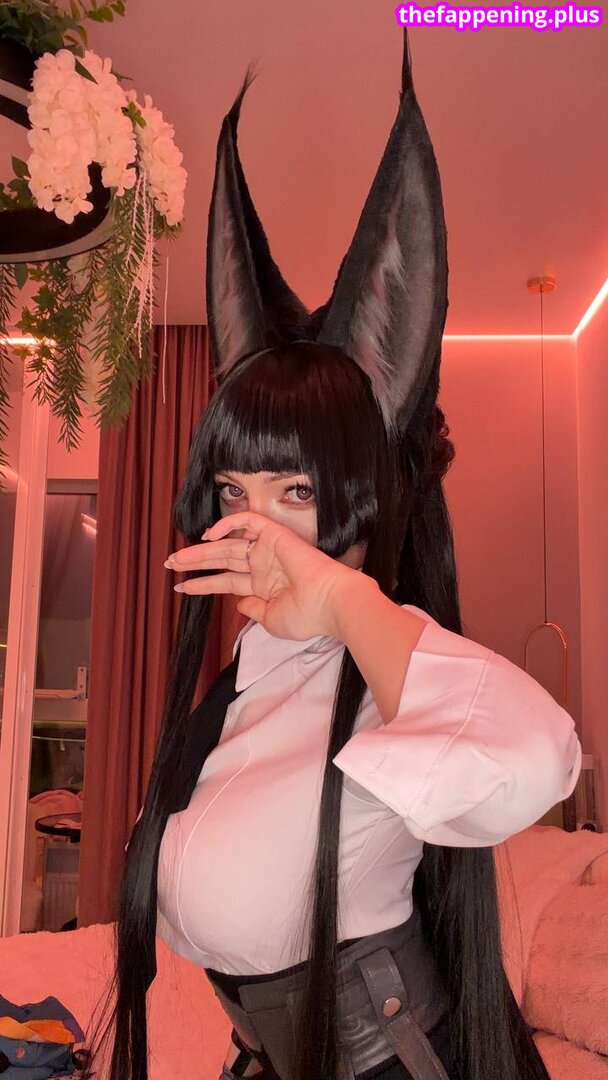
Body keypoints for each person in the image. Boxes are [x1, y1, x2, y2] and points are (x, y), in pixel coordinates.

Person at [92, 29, 581, 1080]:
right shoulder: (242, 677)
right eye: (234, 491)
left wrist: (346, 601)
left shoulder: (391, 666)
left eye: (298, 493)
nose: (251, 526)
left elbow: (538, 760)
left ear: (365, 502)